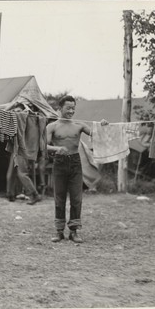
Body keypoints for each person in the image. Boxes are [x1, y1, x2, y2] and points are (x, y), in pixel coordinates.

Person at [46, 95, 108, 243]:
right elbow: (44, 146)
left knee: (76, 198)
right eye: (68, 108)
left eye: (73, 108)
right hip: (59, 163)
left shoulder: (79, 125)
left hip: (75, 162)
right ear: (60, 108)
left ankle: (74, 231)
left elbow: (96, 135)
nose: (71, 111)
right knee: (59, 198)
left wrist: (102, 125)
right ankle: (59, 231)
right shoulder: (52, 126)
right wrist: (57, 148)